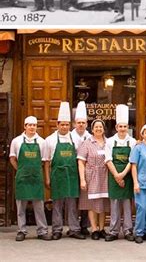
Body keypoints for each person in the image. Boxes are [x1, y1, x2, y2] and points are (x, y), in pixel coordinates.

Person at [44, 102, 84, 240]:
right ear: (57, 124)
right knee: (57, 204)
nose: (65, 127)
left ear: (70, 125)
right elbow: (47, 162)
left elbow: (80, 159)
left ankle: (74, 229)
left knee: (73, 204)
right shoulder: (50, 140)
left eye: (67, 124)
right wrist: (48, 178)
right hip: (57, 176)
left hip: (72, 176)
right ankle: (57, 229)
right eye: (62, 124)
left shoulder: (76, 140)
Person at [9, 116, 51, 241]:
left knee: (39, 206)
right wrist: (21, 170)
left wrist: (36, 171)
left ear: (36, 126)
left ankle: (42, 231)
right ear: (25, 126)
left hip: (36, 178)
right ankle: (21, 230)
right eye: (29, 125)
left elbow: (44, 161)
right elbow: (12, 158)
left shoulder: (42, 142)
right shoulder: (16, 141)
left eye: (34, 125)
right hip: (22, 178)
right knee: (20, 206)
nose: (32, 127)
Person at [104, 105, 136, 242]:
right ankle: (113, 230)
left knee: (127, 204)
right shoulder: (110, 141)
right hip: (113, 175)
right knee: (115, 203)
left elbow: (132, 160)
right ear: (116, 127)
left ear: (127, 127)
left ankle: (128, 230)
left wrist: (122, 174)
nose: (122, 129)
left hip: (127, 175)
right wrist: (117, 175)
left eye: (125, 126)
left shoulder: (132, 141)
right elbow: (108, 160)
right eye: (120, 126)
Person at [77, 119, 110, 240]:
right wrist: (82, 179)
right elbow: (81, 162)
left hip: (105, 175)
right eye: (96, 127)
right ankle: (94, 228)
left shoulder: (108, 142)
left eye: (100, 127)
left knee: (103, 203)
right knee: (92, 203)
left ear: (103, 129)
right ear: (92, 129)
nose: (98, 129)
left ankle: (102, 228)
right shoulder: (87, 143)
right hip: (91, 175)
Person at [71, 101, 91, 235]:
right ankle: (73, 227)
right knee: (72, 200)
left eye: (83, 122)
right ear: (74, 124)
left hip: (87, 172)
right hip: (71, 171)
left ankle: (85, 225)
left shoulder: (91, 137)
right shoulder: (69, 136)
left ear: (87, 124)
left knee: (86, 199)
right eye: (78, 122)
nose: (81, 125)